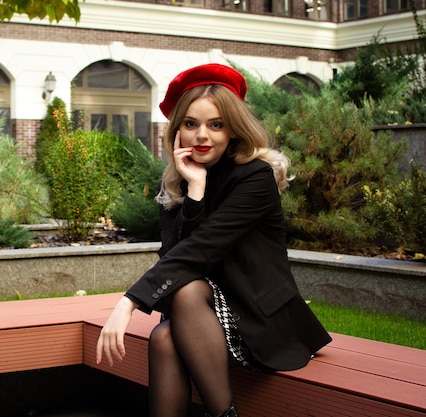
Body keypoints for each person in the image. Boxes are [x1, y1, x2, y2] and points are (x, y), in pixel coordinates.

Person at [95, 63, 332, 417]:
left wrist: (128, 303)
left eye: (215, 125)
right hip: (199, 318)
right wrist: (195, 191)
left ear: (233, 130)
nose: (202, 136)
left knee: (185, 296)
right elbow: (174, 257)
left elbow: (199, 251)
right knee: (163, 337)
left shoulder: (255, 178)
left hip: (260, 318)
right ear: (177, 131)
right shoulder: (181, 182)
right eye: (191, 124)